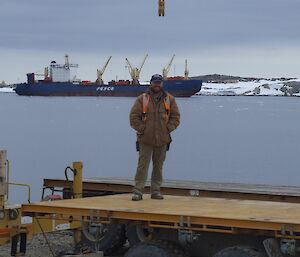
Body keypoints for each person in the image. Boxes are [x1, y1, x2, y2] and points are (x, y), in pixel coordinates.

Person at [129, 74, 180, 201]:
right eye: (155, 82)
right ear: (150, 83)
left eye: (159, 82)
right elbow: (133, 117)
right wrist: (143, 129)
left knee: (158, 166)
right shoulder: (142, 99)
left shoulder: (169, 99)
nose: (157, 85)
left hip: (162, 140)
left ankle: (155, 191)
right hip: (145, 140)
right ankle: (138, 191)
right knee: (142, 166)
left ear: (162, 84)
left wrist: (168, 129)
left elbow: (176, 117)